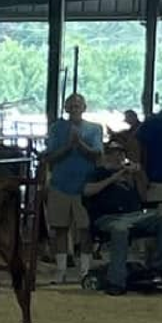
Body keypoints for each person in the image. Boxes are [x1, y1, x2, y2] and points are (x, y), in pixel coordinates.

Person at [83, 146, 162, 295]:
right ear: (106, 156)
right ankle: (116, 281)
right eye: (114, 154)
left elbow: (143, 197)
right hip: (108, 217)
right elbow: (87, 191)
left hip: (136, 215)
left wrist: (138, 175)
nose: (117, 157)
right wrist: (113, 177)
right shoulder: (98, 173)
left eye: (121, 154)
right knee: (120, 229)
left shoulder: (129, 175)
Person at [42, 93, 107, 282]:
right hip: (60, 184)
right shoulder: (56, 128)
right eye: (71, 105)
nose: (74, 108)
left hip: (85, 185)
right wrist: (69, 146)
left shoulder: (94, 129)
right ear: (65, 108)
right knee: (59, 228)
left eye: (78, 105)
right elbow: (50, 156)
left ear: (84, 107)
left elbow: (97, 154)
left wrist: (80, 144)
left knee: (85, 228)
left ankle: (85, 271)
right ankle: (61, 269)